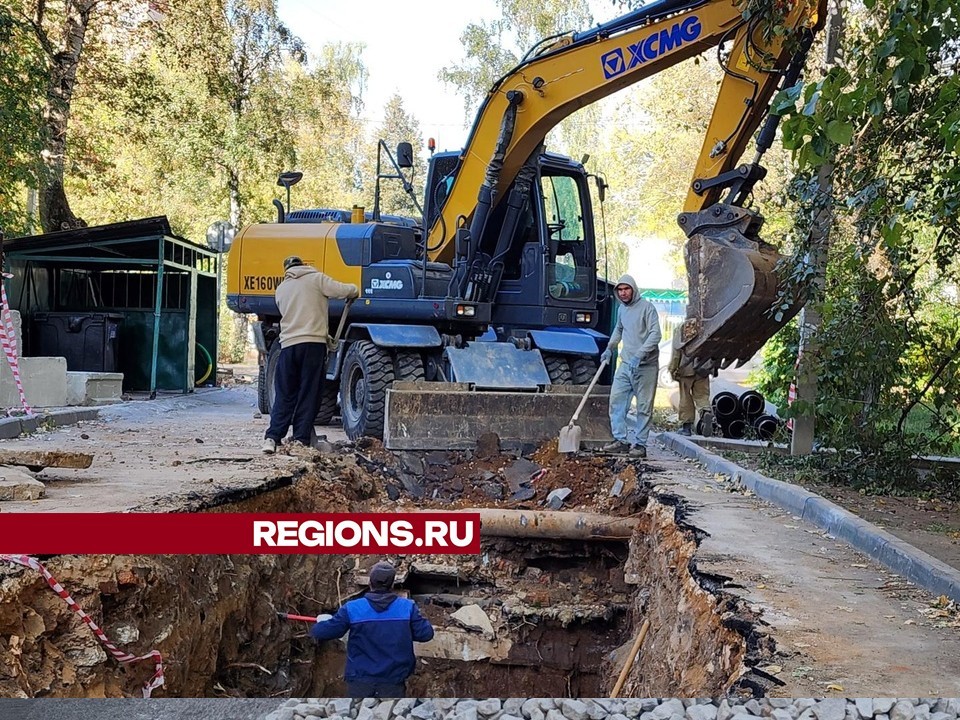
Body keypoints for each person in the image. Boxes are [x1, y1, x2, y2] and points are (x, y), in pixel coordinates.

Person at [262, 256, 359, 454]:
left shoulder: (281, 289)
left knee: (285, 394)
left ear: (287, 270)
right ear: (303, 266)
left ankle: (272, 438)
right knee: (309, 393)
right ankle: (300, 439)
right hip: (313, 345)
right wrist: (355, 290)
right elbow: (342, 290)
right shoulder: (317, 279)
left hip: (288, 346)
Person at [311, 560, 435, 698]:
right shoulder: (407, 607)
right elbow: (426, 634)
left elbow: (322, 632)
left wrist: (323, 622)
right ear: (392, 584)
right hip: (394, 680)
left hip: (360, 680)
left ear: (370, 582)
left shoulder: (352, 608)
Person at [600, 274, 662, 458]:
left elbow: (655, 334)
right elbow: (619, 329)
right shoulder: (621, 310)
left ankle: (640, 445)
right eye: (620, 290)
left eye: (626, 289)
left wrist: (640, 355)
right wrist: (610, 348)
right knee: (616, 401)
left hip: (646, 367)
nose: (623, 293)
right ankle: (620, 440)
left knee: (644, 406)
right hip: (626, 364)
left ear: (633, 289)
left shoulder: (647, 308)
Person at [668, 328, 710, 436]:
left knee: (685, 398)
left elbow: (676, 352)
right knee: (702, 396)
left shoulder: (681, 329)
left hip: (686, 369)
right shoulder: (706, 326)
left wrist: (672, 369)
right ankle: (706, 413)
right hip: (703, 367)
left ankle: (686, 428)